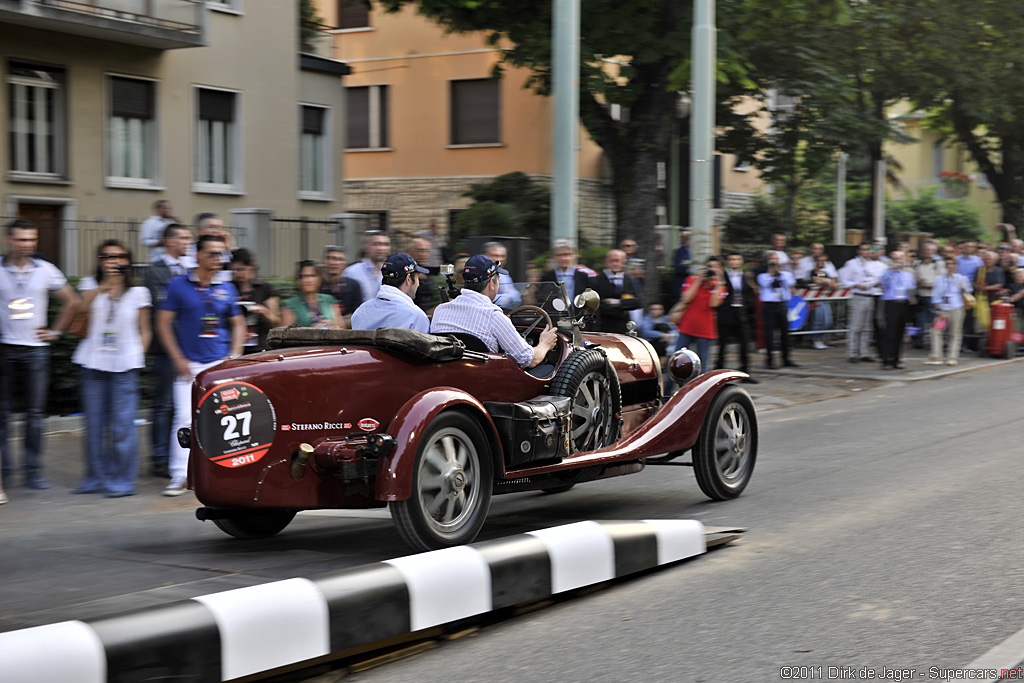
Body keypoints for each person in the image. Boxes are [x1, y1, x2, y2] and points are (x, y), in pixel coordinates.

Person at [156, 234, 245, 496]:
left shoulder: (227, 287)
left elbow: (238, 323)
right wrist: (177, 358)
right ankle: (179, 475)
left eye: (221, 254)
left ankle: (227, 471)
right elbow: (162, 323)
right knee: (184, 418)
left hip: (219, 364)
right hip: (190, 366)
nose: (219, 259)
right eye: (213, 254)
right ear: (198, 255)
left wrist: (235, 355)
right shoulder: (177, 285)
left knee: (228, 417)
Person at [0, 219, 80, 490]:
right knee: (2, 415)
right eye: (22, 239)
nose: (27, 245)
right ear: (10, 240)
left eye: (31, 240)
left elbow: (73, 302)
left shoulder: (45, 269)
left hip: (36, 351)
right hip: (5, 349)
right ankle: (5, 474)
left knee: (35, 415)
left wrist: (56, 332)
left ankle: (33, 472)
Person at [72, 240, 151, 497]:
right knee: (93, 426)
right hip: (93, 362)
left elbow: (145, 329)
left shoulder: (139, 292)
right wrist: (103, 288)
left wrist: (138, 354)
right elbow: (80, 311)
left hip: (124, 365)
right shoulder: (88, 285)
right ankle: (95, 478)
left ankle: (122, 481)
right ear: (99, 260)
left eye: (118, 256)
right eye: (106, 256)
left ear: (127, 260)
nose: (112, 261)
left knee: (122, 426)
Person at [430, 254, 557, 370]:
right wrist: (545, 344)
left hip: (449, 377)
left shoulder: (441, 310)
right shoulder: (493, 316)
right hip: (485, 383)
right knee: (549, 369)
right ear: (492, 283)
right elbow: (528, 360)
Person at [144, 223, 192, 478]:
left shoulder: (191, 269)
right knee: (163, 405)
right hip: (165, 348)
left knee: (183, 406)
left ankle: (182, 453)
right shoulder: (155, 271)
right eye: (182, 238)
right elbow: (164, 306)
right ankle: (160, 457)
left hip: (189, 348)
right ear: (168, 241)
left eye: (188, 238)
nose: (187, 242)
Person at [351, 253, 430, 332]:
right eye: (417, 278)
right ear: (408, 279)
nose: (418, 283)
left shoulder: (361, 311)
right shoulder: (417, 317)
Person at [675, 257, 726, 373]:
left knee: (702, 366)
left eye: (715, 267)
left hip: (705, 331)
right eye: (709, 266)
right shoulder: (692, 279)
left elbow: (713, 303)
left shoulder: (720, 286)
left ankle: (701, 391)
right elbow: (686, 298)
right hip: (686, 327)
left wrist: (718, 282)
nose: (712, 269)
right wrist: (698, 281)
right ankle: (668, 390)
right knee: (676, 361)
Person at [840, 242, 886, 363]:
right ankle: (852, 353)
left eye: (868, 249)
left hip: (871, 295)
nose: (865, 252)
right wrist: (856, 285)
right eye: (863, 249)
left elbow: (880, 278)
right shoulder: (852, 264)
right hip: (858, 295)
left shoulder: (877, 265)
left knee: (866, 327)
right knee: (856, 326)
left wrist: (877, 283)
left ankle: (864, 352)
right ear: (859, 251)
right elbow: (844, 280)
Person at [716, 252, 758, 382]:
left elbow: (750, 293)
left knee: (745, 344)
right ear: (728, 262)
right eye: (731, 259)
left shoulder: (745, 277)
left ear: (741, 262)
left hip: (741, 314)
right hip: (726, 313)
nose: (734, 261)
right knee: (723, 345)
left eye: (737, 259)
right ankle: (718, 374)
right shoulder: (722, 275)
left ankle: (745, 373)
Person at [230, 248, 280, 353]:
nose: (238, 274)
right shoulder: (230, 287)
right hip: (235, 346)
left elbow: (276, 322)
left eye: (241, 270)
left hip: (260, 346)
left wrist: (262, 311)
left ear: (252, 267)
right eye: (235, 270)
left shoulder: (264, 288)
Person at [928, 256, 973, 366]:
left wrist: (963, 287)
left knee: (955, 333)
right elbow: (936, 294)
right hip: (943, 309)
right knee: (935, 331)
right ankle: (936, 355)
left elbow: (968, 291)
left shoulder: (961, 278)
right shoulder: (940, 279)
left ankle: (952, 356)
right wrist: (938, 308)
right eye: (948, 264)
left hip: (956, 307)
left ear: (955, 266)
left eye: (952, 264)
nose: (950, 266)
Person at [756, 252, 798, 369]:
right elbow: (764, 284)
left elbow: (790, 283)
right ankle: (770, 360)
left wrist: (779, 273)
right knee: (769, 334)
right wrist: (771, 274)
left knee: (785, 333)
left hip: (782, 304)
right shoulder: (763, 275)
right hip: (769, 306)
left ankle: (786, 358)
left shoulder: (786, 274)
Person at [879, 251, 916, 370]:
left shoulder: (908, 274)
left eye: (899, 258)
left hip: (903, 303)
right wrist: (891, 271)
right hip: (891, 303)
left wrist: (912, 299)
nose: (897, 261)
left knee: (900, 333)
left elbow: (911, 289)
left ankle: (897, 359)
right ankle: (886, 360)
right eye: (895, 258)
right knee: (890, 332)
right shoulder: (887, 272)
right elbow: (883, 284)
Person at [592, 249, 643, 333]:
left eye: (618, 261)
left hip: (625, 327)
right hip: (604, 327)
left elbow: (638, 302)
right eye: (612, 261)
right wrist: (624, 308)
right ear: (606, 262)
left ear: (623, 263)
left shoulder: (630, 279)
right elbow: (598, 304)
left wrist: (616, 302)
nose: (615, 264)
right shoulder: (596, 280)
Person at [283, 260, 342, 328]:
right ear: (299, 280)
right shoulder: (292, 304)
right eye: (303, 276)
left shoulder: (329, 300)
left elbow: (341, 328)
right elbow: (284, 334)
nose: (307, 280)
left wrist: (332, 325)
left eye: (312, 276)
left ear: (320, 279)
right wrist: (311, 329)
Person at [540, 240, 596, 306]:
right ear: (554, 257)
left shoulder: (584, 277)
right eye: (559, 255)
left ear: (575, 256)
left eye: (567, 254)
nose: (564, 258)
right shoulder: (546, 278)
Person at [319, 246, 363, 327]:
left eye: (339, 259)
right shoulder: (317, 286)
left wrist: (338, 323)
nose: (333, 263)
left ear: (345, 265)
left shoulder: (353, 286)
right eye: (329, 258)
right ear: (323, 262)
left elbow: (358, 315)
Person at [344, 231, 391, 304]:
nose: (380, 248)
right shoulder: (351, 272)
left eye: (385, 244)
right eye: (375, 244)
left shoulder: (393, 271)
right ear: (365, 247)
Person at [913, 242, 943, 349]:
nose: (929, 253)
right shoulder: (917, 264)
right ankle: (920, 340)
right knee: (920, 318)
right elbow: (913, 278)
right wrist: (919, 282)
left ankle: (934, 340)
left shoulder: (939, 264)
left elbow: (942, 280)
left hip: (933, 295)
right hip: (921, 294)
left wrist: (930, 284)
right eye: (927, 250)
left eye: (931, 250)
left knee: (933, 319)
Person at [483, 241, 522, 310]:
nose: (500, 259)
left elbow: (515, 298)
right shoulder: (476, 271)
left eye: (503, 256)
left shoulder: (503, 274)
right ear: (485, 256)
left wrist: (488, 300)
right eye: (496, 255)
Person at [672, 230, 693, 296]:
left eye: (687, 238)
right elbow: (677, 267)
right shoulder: (679, 251)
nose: (684, 240)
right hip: (682, 282)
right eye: (684, 238)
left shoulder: (692, 251)